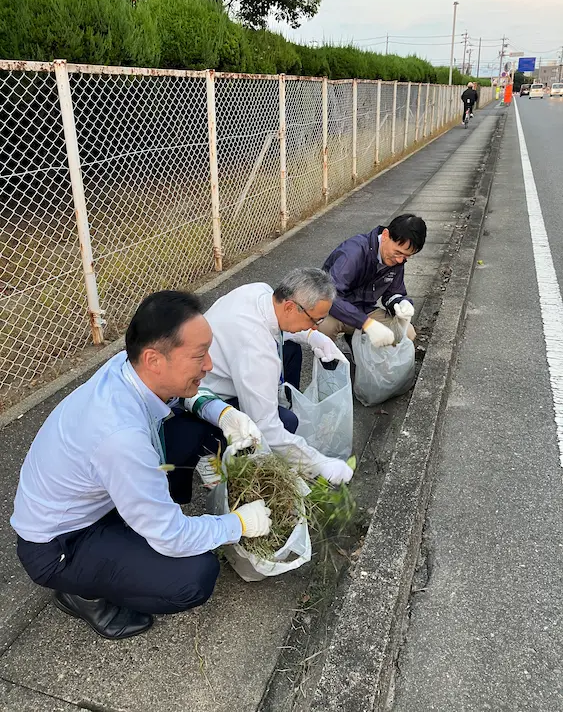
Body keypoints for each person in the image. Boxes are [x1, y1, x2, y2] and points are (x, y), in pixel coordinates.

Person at [11, 291, 272, 640]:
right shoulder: (120, 436)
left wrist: (220, 412)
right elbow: (171, 537)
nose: (209, 365)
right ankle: (82, 595)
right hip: (60, 544)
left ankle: (147, 515)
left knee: (202, 430)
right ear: (153, 359)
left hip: (95, 499)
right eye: (199, 356)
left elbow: (183, 391)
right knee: (194, 575)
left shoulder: (126, 367)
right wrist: (238, 524)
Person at [199, 268, 354, 486]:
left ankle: (276, 408)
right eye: (315, 321)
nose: (315, 325)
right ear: (291, 306)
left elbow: (281, 322)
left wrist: (311, 336)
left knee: (291, 350)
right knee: (286, 422)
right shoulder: (257, 352)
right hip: (205, 396)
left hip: (218, 366)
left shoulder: (260, 291)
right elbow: (266, 430)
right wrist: (320, 464)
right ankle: (210, 451)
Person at [318, 214, 427, 348]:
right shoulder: (353, 253)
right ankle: (330, 363)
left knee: (407, 333)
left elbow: (393, 292)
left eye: (406, 256)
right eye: (398, 252)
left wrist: (401, 303)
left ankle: (362, 351)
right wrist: (367, 323)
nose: (400, 260)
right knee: (324, 328)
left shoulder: (397, 260)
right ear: (386, 235)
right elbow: (330, 297)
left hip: (365, 310)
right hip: (336, 311)